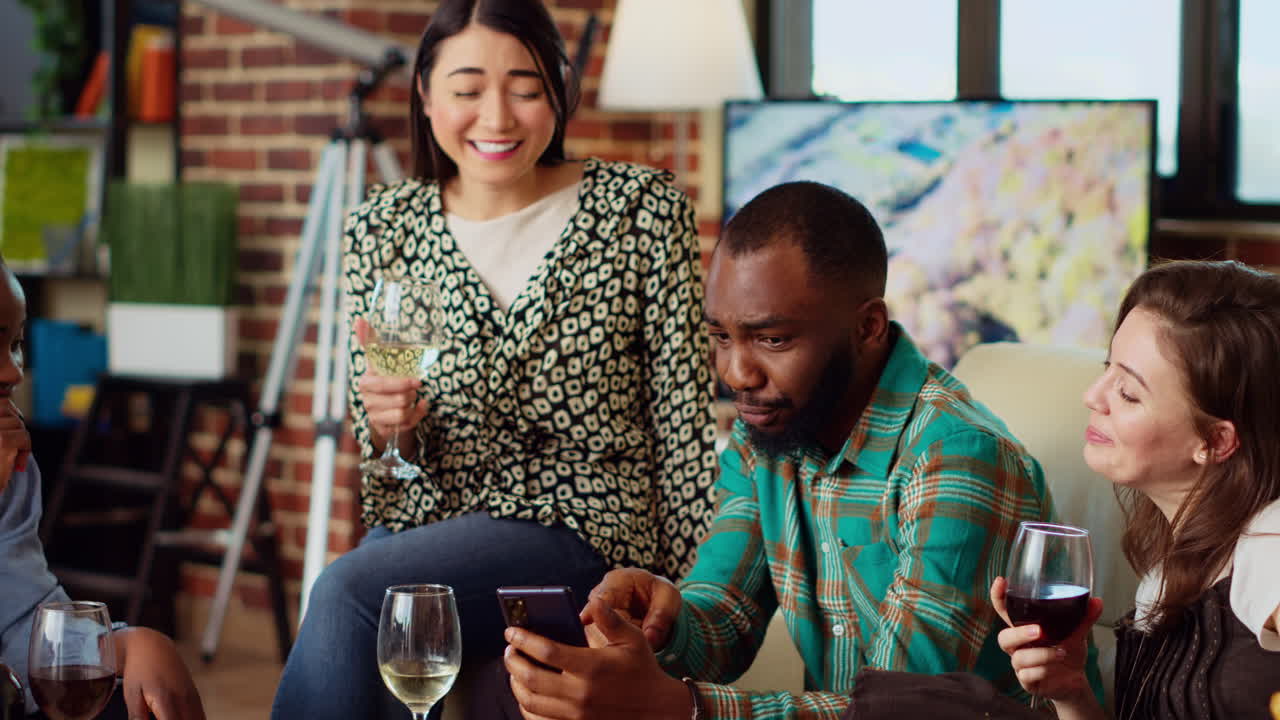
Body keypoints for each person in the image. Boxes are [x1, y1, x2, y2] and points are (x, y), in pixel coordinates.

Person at [271, 0, 719, 718]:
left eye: (526, 87)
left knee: (355, 592)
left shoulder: (639, 211)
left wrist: (689, 607)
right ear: (424, 95)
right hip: (426, 529)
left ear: (559, 92)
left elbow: (684, 424)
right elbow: (390, 468)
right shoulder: (384, 228)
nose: (498, 117)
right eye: (468, 88)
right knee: (386, 613)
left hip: (583, 529)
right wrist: (394, 424)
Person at [499, 181, 1066, 719]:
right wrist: (662, 621)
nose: (736, 373)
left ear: (868, 327)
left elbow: (902, 707)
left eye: (772, 339)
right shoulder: (767, 434)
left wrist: (680, 708)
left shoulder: (956, 455)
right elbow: (725, 621)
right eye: (721, 336)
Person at [988, 260, 1280, 720]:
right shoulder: (1167, 571)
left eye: (1127, 392)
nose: (1092, 396)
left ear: (1215, 441)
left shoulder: (1270, 545)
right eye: (1108, 369)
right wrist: (1072, 694)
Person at [0, 259, 206, 720]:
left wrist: (122, 645)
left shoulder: (11, 461)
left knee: (135, 693)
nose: (12, 372)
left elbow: (19, 616)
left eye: (15, 344)